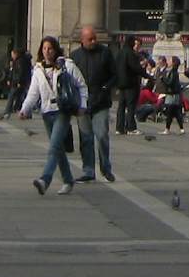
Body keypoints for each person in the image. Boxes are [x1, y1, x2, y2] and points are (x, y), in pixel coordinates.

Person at [19, 35, 86, 195]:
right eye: (44, 49)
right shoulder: (38, 70)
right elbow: (33, 93)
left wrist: (83, 105)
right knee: (58, 149)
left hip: (63, 111)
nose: (47, 52)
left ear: (55, 49)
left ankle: (45, 180)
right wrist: (25, 109)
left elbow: (81, 85)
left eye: (50, 48)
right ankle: (68, 180)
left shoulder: (66, 65)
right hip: (46, 112)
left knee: (54, 146)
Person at [70, 26, 118, 181]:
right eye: (90, 39)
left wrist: (106, 88)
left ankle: (106, 167)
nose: (94, 41)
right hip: (82, 103)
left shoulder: (105, 53)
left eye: (94, 38)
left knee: (102, 134)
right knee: (85, 137)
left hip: (101, 102)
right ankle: (88, 170)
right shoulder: (75, 56)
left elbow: (114, 75)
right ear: (82, 40)